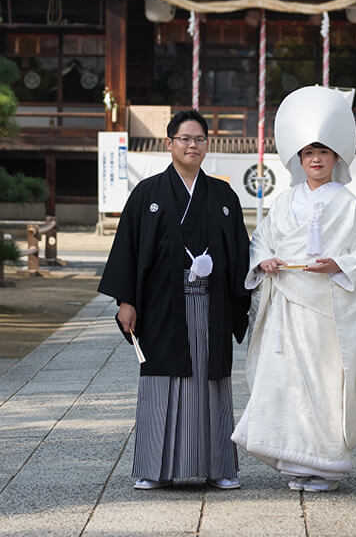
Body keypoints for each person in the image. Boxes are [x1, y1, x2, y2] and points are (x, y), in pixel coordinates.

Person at [232, 86, 356, 493]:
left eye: (323, 152)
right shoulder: (283, 202)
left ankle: (326, 462)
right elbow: (262, 240)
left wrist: (340, 263)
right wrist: (263, 261)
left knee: (323, 379)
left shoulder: (350, 204)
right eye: (308, 153)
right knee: (287, 379)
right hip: (287, 303)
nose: (316, 159)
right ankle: (295, 461)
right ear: (299, 160)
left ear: (336, 158)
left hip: (327, 307)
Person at [98, 109, 251, 491]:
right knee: (161, 380)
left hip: (210, 303)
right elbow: (127, 251)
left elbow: (240, 252)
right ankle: (154, 467)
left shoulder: (222, 195)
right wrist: (126, 301)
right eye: (184, 138)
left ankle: (219, 467)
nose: (192, 145)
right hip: (162, 304)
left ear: (206, 145)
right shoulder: (148, 193)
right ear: (170, 144)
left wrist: (244, 293)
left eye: (199, 139)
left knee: (210, 380)